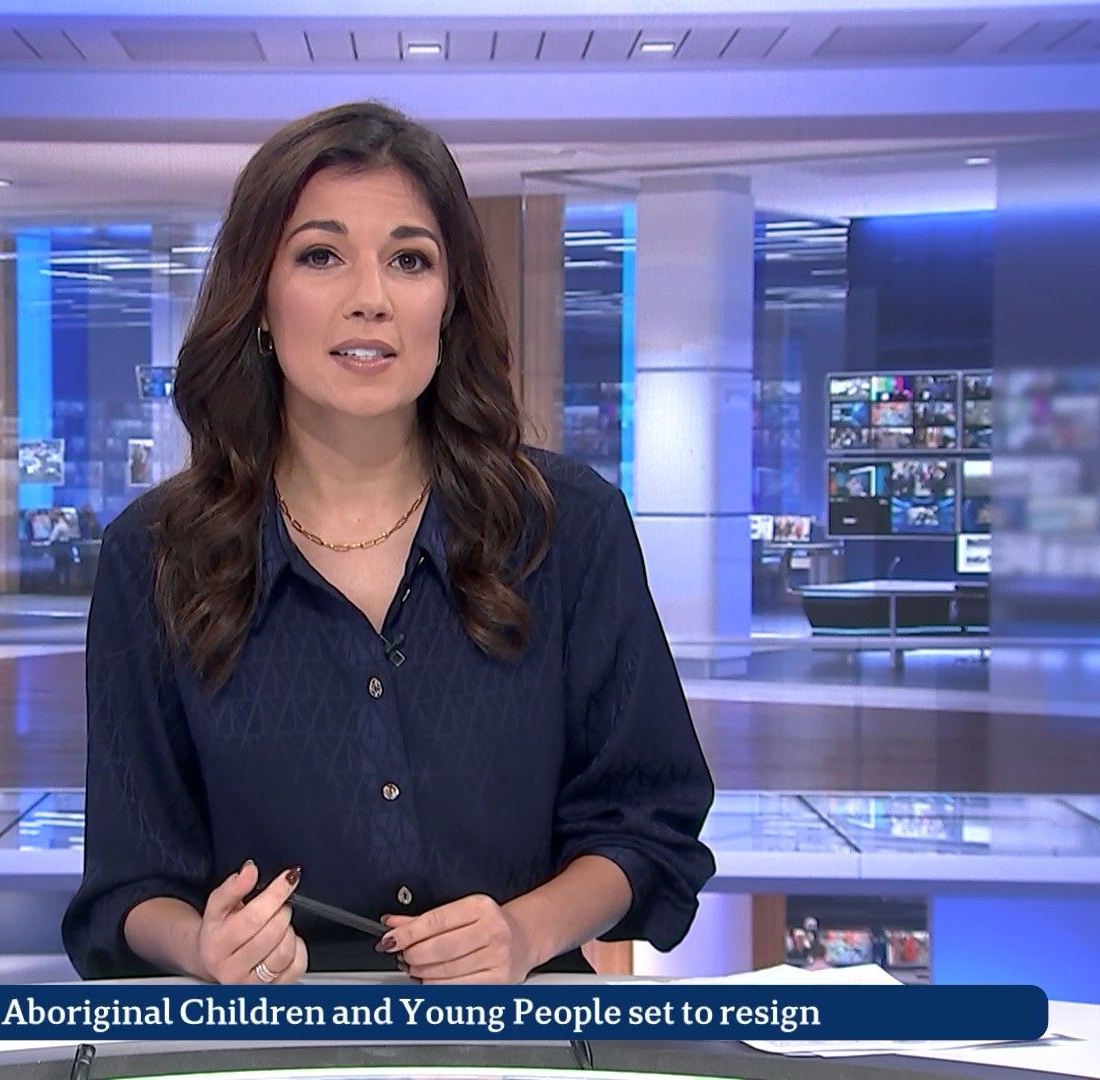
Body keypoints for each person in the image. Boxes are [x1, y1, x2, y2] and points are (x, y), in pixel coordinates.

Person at [61, 101, 715, 986]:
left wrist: (522, 934)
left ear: (448, 302)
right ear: (260, 299)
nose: (370, 298)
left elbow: (648, 824)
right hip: (270, 1035)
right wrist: (202, 946)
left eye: (410, 260)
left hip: (517, 1031)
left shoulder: (567, 525)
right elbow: (129, 883)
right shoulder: (154, 554)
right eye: (320, 256)